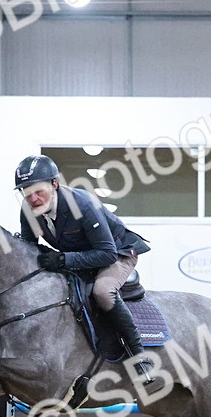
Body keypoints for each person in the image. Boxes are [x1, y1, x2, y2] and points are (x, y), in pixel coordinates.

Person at [14, 154, 158, 389]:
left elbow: (107, 254)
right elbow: (29, 249)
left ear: (54, 184)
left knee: (102, 291)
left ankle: (139, 357)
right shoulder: (28, 210)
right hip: (82, 256)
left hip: (118, 252)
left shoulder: (82, 205)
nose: (33, 198)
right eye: (26, 192)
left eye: (38, 191)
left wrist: (62, 260)